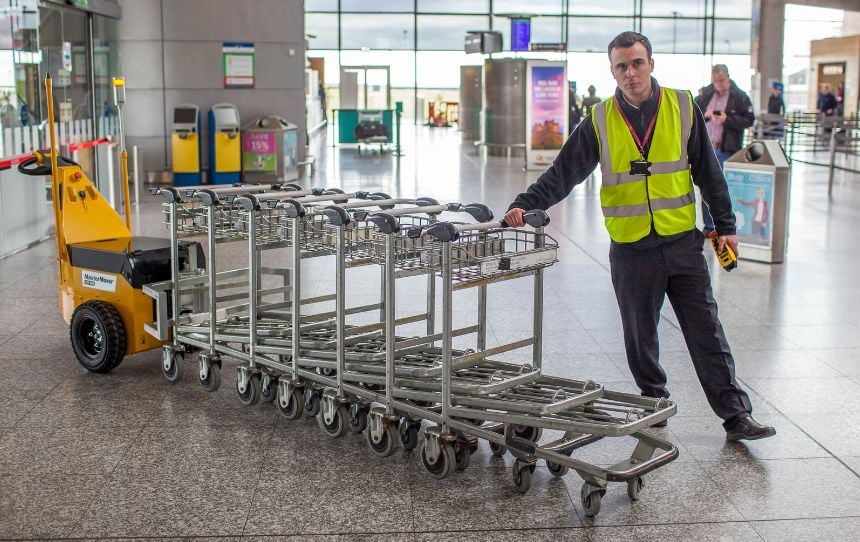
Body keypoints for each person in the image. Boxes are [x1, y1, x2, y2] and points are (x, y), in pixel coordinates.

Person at [504, 31, 775, 441]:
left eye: (637, 63)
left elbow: (709, 174)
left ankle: (736, 415)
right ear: (612, 70)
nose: (630, 73)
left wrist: (726, 226)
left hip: (683, 241)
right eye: (621, 66)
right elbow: (564, 172)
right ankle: (654, 404)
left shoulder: (683, 106)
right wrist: (525, 204)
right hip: (632, 247)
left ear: (651, 63)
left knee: (706, 331)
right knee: (639, 336)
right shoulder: (599, 118)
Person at [694, 65, 754, 236]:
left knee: (722, 188)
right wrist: (705, 115)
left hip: (726, 149)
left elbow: (749, 119)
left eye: (721, 80)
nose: (719, 84)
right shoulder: (705, 94)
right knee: (705, 186)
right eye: (715, 81)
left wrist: (727, 120)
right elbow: (692, 114)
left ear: (728, 77)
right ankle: (709, 226)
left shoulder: (740, 96)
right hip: (706, 148)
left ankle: (727, 227)